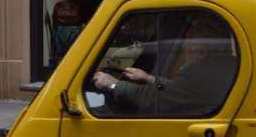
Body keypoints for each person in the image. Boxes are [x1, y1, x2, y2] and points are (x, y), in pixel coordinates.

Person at [92, 13, 235, 115]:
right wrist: (149, 79)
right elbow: (178, 91)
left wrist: (113, 85)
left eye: (188, 42)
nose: (184, 48)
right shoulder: (225, 65)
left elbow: (156, 99)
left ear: (203, 51)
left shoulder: (200, 73)